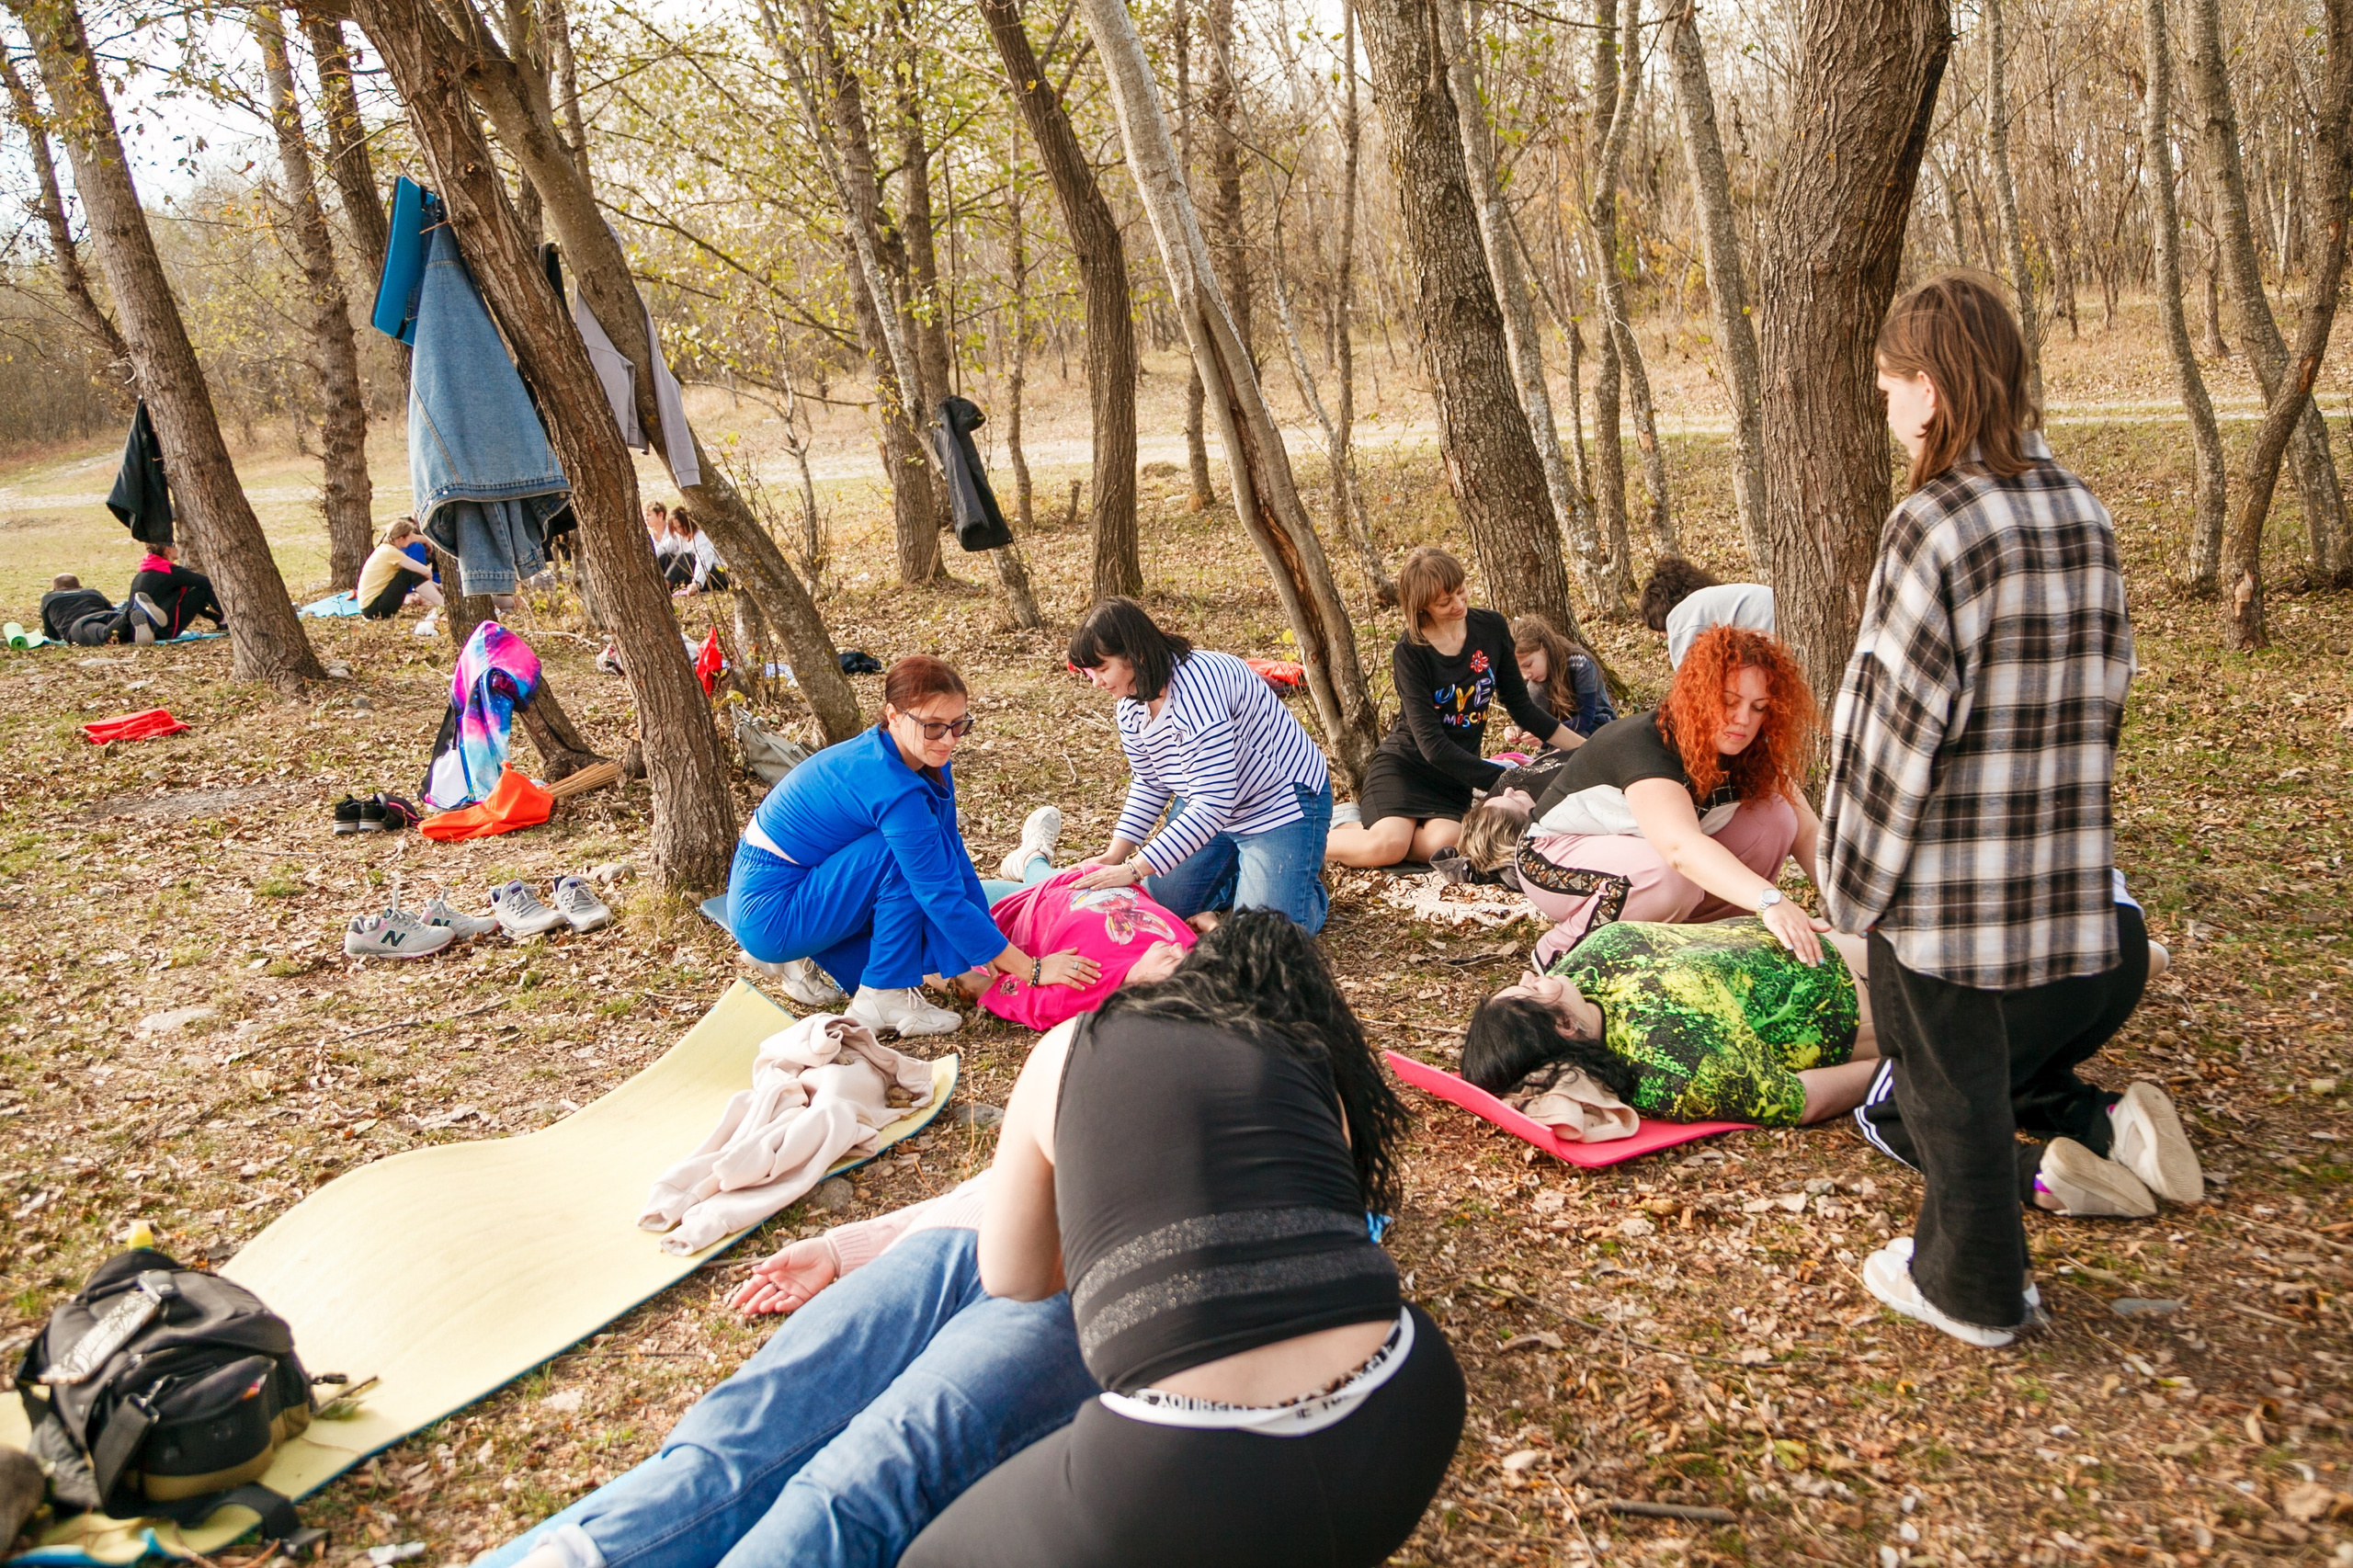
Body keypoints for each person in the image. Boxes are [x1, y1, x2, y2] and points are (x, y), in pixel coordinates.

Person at [900, 913, 1464, 1568]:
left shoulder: (1069, 1046)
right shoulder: (1304, 1055)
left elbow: (1011, 1276)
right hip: (1408, 1409)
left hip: (1184, 1469)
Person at [1822, 273, 2161, 1348]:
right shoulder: (2081, 508)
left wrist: (1849, 883)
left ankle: (1973, 1287)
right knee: (1966, 1069)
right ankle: (1963, 1252)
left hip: (1945, 869)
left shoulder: (1934, 522)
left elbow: (1890, 727)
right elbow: (2106, 688)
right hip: (2055, 856)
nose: (1883, 406)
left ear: (1928, 389)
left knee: (1945, 1076)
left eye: (1887, 385)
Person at [482, 1176, 1098, 1568]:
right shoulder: (1106, 1036)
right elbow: (1008, 1172)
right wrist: (844, 1248)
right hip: (950, 1239)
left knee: (872, 1474)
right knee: (738, 1433)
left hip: (1078, 1285)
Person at [725, 655, 1097, 1037]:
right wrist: (1030, 968)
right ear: (894, 715)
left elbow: (953, 856)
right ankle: (881, 993)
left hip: (791, 882)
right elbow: (940, 894)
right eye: (933, 726)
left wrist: (984, 954)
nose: (949, 739)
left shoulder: (920, 757)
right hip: (770, 909)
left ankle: (819, 959)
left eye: (958, 725)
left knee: (923, 860)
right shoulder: (893, 788)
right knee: (901, 858)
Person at [1852, 880, 2200, 1227]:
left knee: (1889, 1111)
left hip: (2024, 958)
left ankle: (2042, 1177)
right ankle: (2113, 1119)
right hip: (2121, 935)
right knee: (2009, 1080)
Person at [1512, 624, 1826, 968]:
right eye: (1728, 702)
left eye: (1759, 707)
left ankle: (1703, 945)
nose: (1742, 720)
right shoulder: (1646, 744)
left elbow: (1808, 831)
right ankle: (1561, 954)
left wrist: (1853, 909)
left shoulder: (1752, 751)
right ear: (1698, 695)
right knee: (1670, 878)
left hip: (1644, 854)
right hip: (1549, 856)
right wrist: (1770, 900)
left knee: (1777, 816)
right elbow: (1680, 850)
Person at [1066, 597, 1336, 934]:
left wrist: (1135, 869)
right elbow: (1150, 782)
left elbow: (1214, 803)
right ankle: (1244, 876)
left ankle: (1301, 882)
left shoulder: (1199, 691)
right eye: (1089, 672)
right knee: (1163, 905)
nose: (1096, 682)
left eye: (1102, 669)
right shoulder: (1129, 703)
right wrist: (1114, 855)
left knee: (1262, 937)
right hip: (1211, 807)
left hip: (1279, 800)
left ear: (1135, 655)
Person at [1466, 918, 1881, 1128]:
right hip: (1876, 997)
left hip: (1849, 930)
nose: (1527, 976)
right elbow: (1801, 1100)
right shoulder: (1671, 1065)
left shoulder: (1581, 972)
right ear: (1564, 1027)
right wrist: (1901, 1069)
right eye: (1528, 992)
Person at [1325, 548, 1583, 870]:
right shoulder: (1410, 653)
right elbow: (1432, 747)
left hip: (1453, 778)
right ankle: (1330, 831)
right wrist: (1503, 777)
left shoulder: (1490, 627)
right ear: (1422, 608)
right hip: (1406, 766)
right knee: (1388, 846)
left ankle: (1375, 832)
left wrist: (1589, 750)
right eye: (1445, 603)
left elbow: (1522, 708)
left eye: (1461, 592)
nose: (1459, 605)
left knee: (1445, 844)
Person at [949, 806, 1195, 1030]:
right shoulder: (1194, 962)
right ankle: (1032, 860)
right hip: (1092, 879)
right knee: (1046, 876)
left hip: (1022, 908)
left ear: (1146, 991)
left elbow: (981, 986)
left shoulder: (1079, 986)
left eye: (1173, 962)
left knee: (949, 898)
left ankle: (1032, 858)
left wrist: (937, 970)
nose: (1179, 950)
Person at [1638, 556, 1774, 670]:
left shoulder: (1686, 618)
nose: (1662, 636)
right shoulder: (1719, 600)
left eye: (1661, 631)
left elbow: (1690, 685)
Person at [1509, 613, 1614, 749]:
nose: (1525, 675)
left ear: (1544, 647)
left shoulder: (1580, 664)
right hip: (1560, 732)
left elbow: (1586, 718)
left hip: (1597, 728)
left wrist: (1547, 736)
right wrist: (1517, 728)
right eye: (1519, 671)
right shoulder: (1534, 675)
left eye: (1528, 665)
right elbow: (1529, 712)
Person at [38, 574, 164, 646]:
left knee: (104, 633)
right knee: (121, 622)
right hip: (107, 615)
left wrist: (54, 638)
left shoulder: (49, 597)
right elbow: (110, 609)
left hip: (80, 625)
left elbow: (50, 630)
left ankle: (133, 619)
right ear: (79, 586)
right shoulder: (92, 592)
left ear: (55, 588)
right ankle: (131, 614)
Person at [128, 542, 222, 636]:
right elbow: (207, 582)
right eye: (174, 545)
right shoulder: (170, 571)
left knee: (190, 587)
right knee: (200, 591)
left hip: (133, 630)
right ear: (167, 549)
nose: (177, 548)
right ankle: (223, 619)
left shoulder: (142, 573)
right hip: (165, 630)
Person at [358, 519, 447, 619]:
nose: (412, 540)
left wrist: (436, 586)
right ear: (401, 539)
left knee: (411, 573)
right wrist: (436, 586)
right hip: (374, 609)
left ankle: (442, 604)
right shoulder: (391, 552)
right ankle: (443, 605)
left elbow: (419, 578)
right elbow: (424, 571)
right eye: (410, 537)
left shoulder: (385, 548)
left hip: (371, 607)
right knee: (411, 571)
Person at [671, 507, 730, 596]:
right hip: (697, 572)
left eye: (680, 527)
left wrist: (696, 582)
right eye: (675, 528)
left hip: (716, 575)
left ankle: (666, 586)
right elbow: (664, 547)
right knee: (666, 558)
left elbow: (704, 561)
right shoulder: (680, 536)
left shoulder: (702, 537)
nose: (679, 531)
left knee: (685, 557)